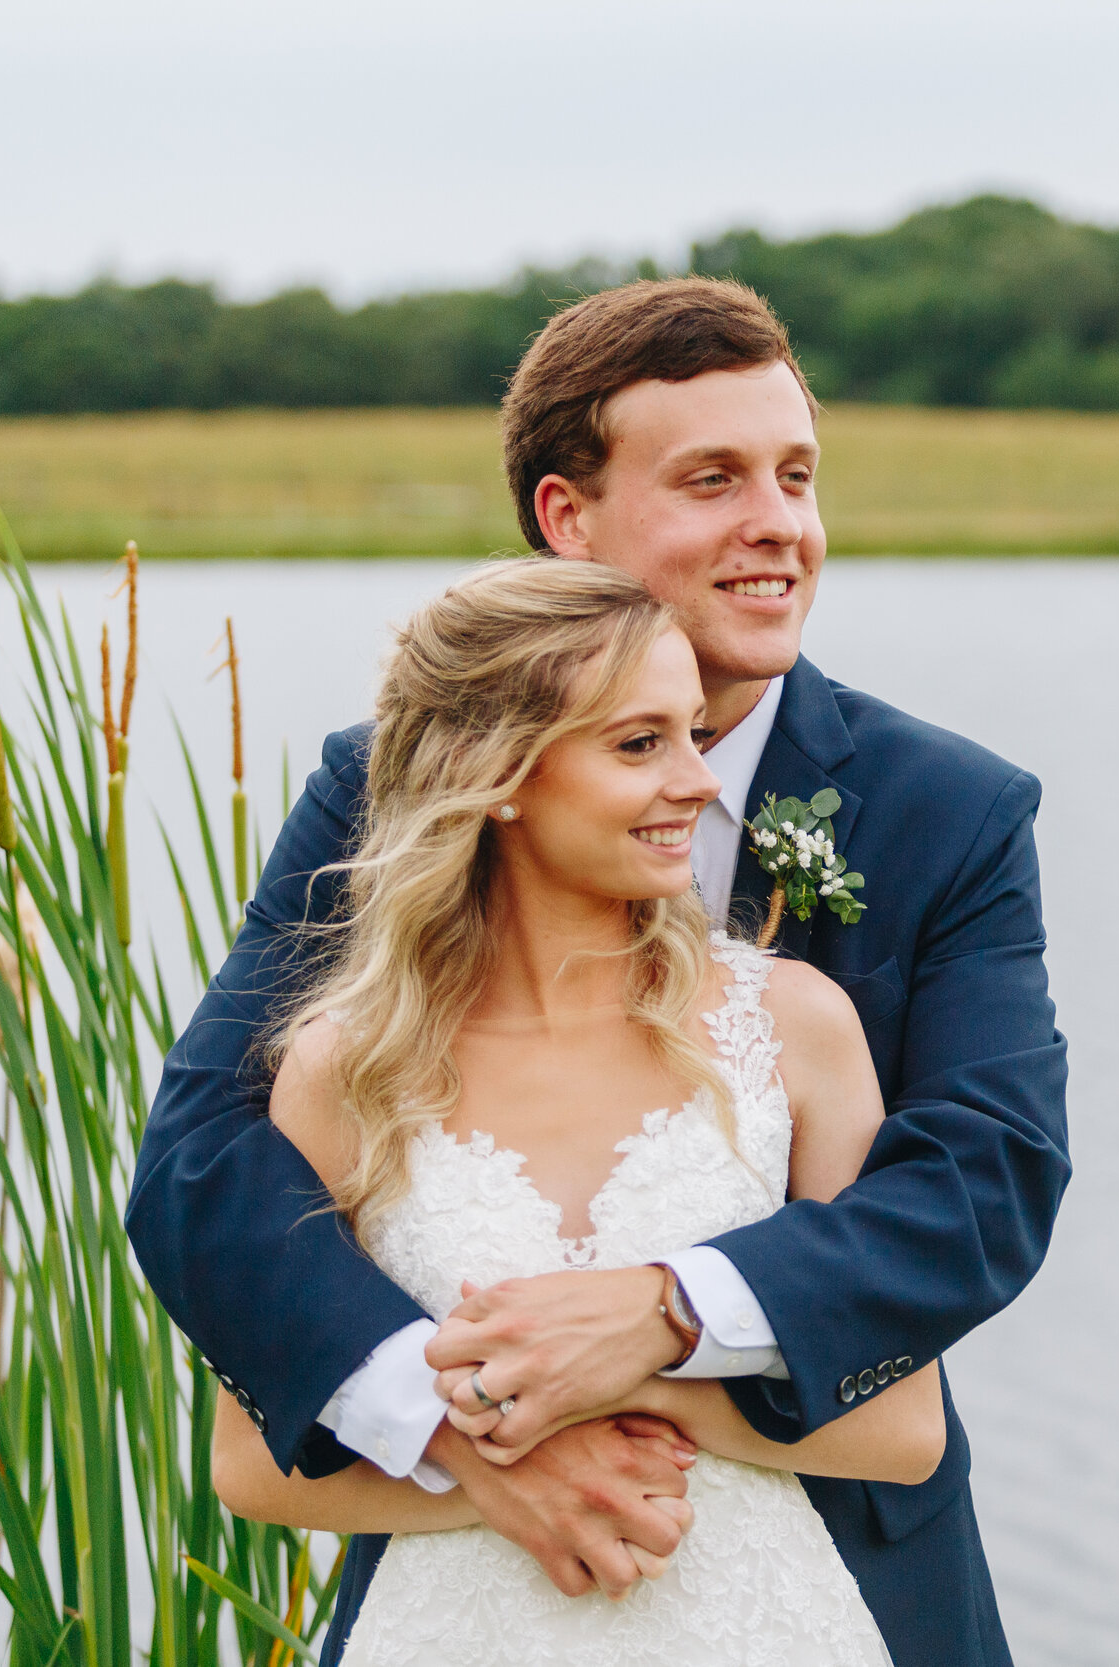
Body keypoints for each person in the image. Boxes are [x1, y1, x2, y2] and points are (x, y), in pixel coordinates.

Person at [127, 278, 1070, 1667]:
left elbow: (985, 1182)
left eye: (798, 475)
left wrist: (666, 1313)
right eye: (714, 479)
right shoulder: (393, 780)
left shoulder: (950, 808)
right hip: (471, 1588)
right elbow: (206, 1159)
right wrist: (458, 1428)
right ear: (569, 517)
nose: (781, 525)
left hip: (843, 1589)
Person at [214, 561, 921, 1663]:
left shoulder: (793, 1026)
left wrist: (631, 1368)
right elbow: (252, 1466)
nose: (698, 778)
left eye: (694, 732)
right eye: (640, 744)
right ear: (496, 773)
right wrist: (505, 1478)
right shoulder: (347, 1066)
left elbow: (904, 1428)